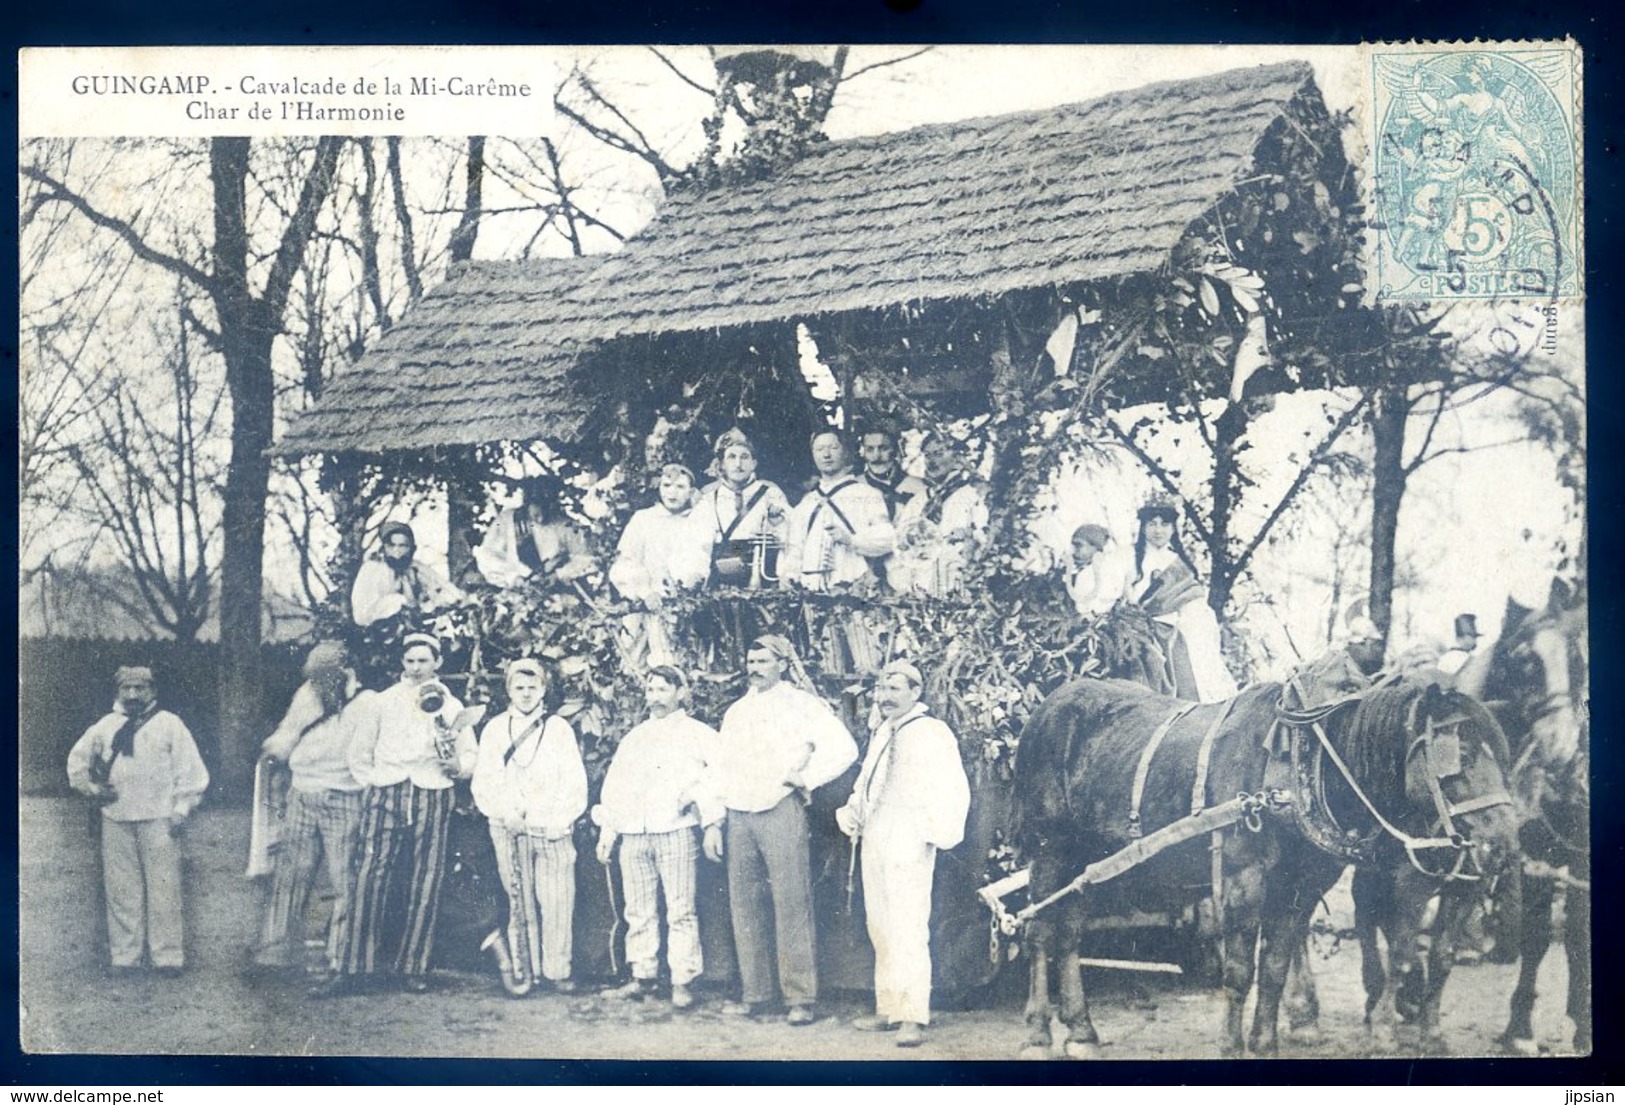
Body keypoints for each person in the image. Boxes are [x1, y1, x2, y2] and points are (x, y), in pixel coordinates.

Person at [709, 635, 858, 1024]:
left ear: (782, 664)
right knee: (744, 904)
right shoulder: (736, 711)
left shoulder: (803, 705)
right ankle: (756, 994)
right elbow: (720, 766)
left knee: (792, 902)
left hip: (780, 808)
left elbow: (845, 749)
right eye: (750, 659)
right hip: (739, 814)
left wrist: (807, 778)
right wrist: (714, 819)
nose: (755, 667)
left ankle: (800, 998)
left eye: (763, 660)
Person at [315, 633, 474, 997]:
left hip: (431, 792)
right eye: (410, 661)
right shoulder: (383, 702)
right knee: (370, 875)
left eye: (423, 660)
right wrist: (375, 783)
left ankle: (413, 968)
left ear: (437, 663)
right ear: (402, 664)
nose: (416, 668)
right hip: (387, 792)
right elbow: (359, 752)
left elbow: (470, 756)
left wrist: (456, 766)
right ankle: (352, 969)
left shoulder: (451, 705)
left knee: (427, 878)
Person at [836, 661, 970, 1048]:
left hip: (909, 833)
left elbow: (951, 787)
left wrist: (935, 832)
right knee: (879, 921)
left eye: (894, 689)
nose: (885, 696)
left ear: (915, 692)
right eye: (882, 689)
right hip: (877, 831)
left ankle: (912, 1015)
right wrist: (853, 813)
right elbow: (868, 780)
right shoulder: (882, 730)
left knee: (908, 923)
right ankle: (889, 1006)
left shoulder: (932, 732)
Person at [592, 665, 723, 1009]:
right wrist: (609, 830)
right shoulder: (635, 737)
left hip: (676, 832)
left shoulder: (699, 734)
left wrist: (705, 813)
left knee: (680, 910)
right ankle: (642, 976)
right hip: (635, 834)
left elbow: (720, 775)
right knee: (638, 910)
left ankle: (683, 981)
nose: (655, 697)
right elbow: (616, 787)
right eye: (651, 690)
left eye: (663, 689)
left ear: (681, 692)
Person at [67, 666, 209, 976]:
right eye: (126, 688)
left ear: (152, 691)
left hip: (160, 819)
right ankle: (125, 957)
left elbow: (191, 771)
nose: (133, 695)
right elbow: (76, 763)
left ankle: (168, 957)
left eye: (140, 688)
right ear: (117, 692)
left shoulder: (169, 724)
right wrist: (92, 789)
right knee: (121, 891)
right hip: (116, 818)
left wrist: (182, 808)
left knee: (164, 889)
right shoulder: (105, 727)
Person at [248, 641, 374, 979]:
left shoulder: (367, 704)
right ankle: (273, 952)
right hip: (302, 792)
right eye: (316, 675)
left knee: (344, 878)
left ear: (347, 671)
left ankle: (342, 957)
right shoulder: (307, 694)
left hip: (344, 796)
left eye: (328, 674)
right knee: (290, 874)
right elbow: (289, 733)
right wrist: (274, 748)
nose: (321, 682)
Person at [471, 658, 586, 995]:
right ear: (508, 689)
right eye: (518, 688)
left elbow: (573, 781)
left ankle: (556, 971)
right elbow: (485, 781)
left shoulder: (558, 729)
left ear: (543, 690)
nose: (525, 694)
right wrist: (505, 812)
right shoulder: (494, 729)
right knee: (520, 902)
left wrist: (560, 819)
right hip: (509, 827)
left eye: (532, 688)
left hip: (551, 828)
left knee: (556, 900)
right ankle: (525, 970)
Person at [1123, 498, 1237, 703]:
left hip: (1175, 627)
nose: (1158, 530)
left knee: (1190, 659)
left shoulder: (1179, 563)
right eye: (1152, 524)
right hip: (1137, 629)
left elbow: (1194, 603)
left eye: (1164, 524)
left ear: (1174, 529)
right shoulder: (1128, 558)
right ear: (1143, 528)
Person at [781, 430, 896, 593]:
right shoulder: (807, 502)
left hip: (854, 586)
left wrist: (851, 540)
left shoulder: (867, 494)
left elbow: (888, 538)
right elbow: (795, 547)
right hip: (810, 587)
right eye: (819, 449)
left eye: (833, 448)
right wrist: (790, 574)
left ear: (846, 452)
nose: (826, 455)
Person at [889, 431, 988, 597]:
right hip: (922, 587)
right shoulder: (919, 501)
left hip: (959, 585)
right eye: (927, 455)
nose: (932, 461)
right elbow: (900, 544)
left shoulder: (974, 494)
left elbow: (984, 536)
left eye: (938, 453)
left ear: (958, 456)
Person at [693, 428, 791, 589]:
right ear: (722, 465)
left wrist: (776, 522)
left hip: (762, 578)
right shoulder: (710, 498)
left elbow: (789, 537)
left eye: (744, 457)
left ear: (754, 464)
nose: (738, 464)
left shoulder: (771, 494)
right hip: (721, 580)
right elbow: (697, 545)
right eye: (732, 457)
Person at [609, 463, 714, 606]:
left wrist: (688, 586)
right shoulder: (643, 519)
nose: (672, 492)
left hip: (685, 603)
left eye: (680, 487)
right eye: (666, 485)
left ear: (691, 492)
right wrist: (645, 592)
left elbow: (700, 559)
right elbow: (626, 561)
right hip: (646, 603)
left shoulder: (696, 522)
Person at [471, 480, 595, 590]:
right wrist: (513, 578)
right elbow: (487, 554)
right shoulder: (508, 520)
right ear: (527, 503)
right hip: (514, 588)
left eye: (547, 507)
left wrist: (559, 575)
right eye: (537, 510)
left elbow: (586, 558)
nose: (542, 517)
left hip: (556, 589)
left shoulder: (566, 526)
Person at [350, 521, 464, 627]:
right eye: (391, 545)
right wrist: (397, 603)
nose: (397, 551)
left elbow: (447, 590)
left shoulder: (415, 567)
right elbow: (361, 615)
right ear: (384, 548)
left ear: (412, 549)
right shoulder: (372, 569)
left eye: (403, 546)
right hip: (379, 633)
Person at [1290, 615, 1387, 706]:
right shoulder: (1336, 663)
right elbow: (1323, 702)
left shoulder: (1355, 667)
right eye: (1376, 644)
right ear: (1361, 643)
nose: (1379, 652)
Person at [858, 425, 926, 522]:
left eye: (883, 448)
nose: (876, 456)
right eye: (870, 449)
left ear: (895, 450)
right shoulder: (855, 486)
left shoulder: (919, 487)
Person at [1066, 523, 1132, 619]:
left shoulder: (1113, 569)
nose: (1074, 551)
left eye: (1079, 546)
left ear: (1096, 547)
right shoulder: (1082, 574)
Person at [1435, 613, 1483, 681]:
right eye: (1472, 636)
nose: (1474, 640)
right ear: (1460, 639)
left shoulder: (1445, 657)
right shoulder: (1469, 658)